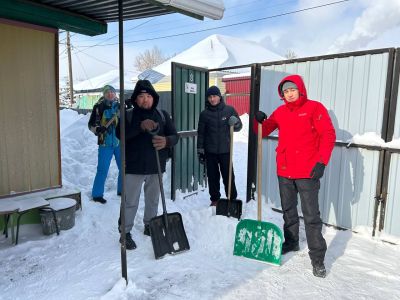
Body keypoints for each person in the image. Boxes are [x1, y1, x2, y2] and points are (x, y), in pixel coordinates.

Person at [254, 75, 336, 278]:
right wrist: (258, 121)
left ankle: (317, 259)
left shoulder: (315, 108)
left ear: (300, 90)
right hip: (284, 170)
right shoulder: (280, 112)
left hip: (308, 171)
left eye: (292, 90)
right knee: (288, 211)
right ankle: (291, 242)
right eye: (285, 91)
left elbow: (328, 134)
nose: (289, 94)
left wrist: (322, 161)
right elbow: (263, 131)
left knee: (311, 216)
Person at [117, 79, 178, 250]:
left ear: (154, 98)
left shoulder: (163, 115)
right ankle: (125, 232)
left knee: (153, 199)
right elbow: (120, 135)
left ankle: (150, 225)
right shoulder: (127, 115)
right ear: (136, 99)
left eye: (149, 96)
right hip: (134, 167)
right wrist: (139, 126)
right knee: (130, 201)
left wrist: (166, 141)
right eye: (141, 96)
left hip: (156, 166)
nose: (145, 99)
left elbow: (175, 136)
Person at [197, 86, 243, 207]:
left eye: (214, 96)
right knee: (213, 177)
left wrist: (236, 122)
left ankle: (232, 199)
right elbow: (201, 133)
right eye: (210, 97)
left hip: (225, 150)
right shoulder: (204, 114)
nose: (212, 99)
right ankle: (215, 199)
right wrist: (200, 151)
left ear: (219, 97)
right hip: (210, 151)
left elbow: (239, 127)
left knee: (228, 176)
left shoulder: (229, 110)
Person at [88, 85, 122, 204]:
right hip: (105, 144)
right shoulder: (98, 107)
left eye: (112, 92)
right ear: (104, 94)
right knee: (102, 170)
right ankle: (97, 194)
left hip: (119, 142)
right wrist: (97, 129)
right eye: (107, 92)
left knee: (124, 167)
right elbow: (90, 125)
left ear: (115, 94)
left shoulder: (120, 106)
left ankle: (122, 190)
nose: (110, 94)